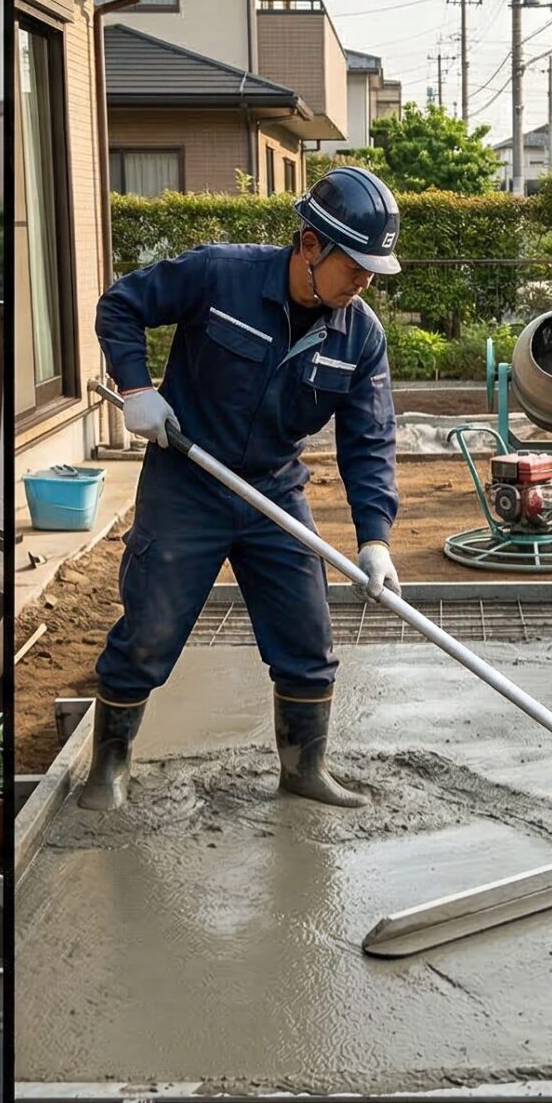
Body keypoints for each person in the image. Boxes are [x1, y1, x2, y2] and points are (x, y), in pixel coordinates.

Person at [83, 165, 402, 812]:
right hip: (187, 482)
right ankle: (108, 765)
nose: (365, 280)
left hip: (274, 490)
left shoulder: (360, 335)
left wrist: (375, 538)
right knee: (148, 631)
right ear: (310, 244)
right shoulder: (220, 276)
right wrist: (138, 387)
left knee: (307, 636)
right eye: (356, 264)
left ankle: (303, 768)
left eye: (374, 268)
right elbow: (121, 305)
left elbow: (369, 440)